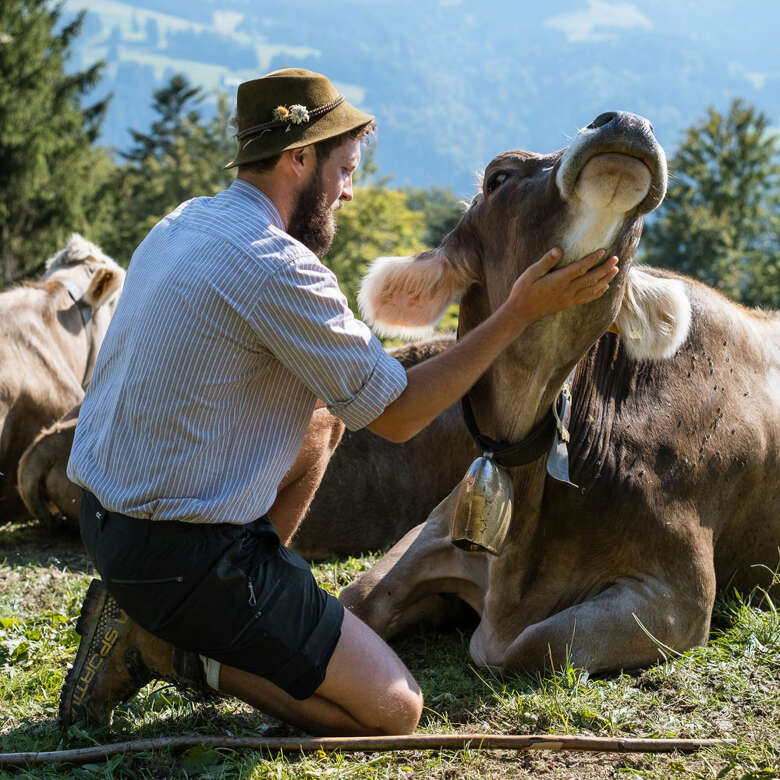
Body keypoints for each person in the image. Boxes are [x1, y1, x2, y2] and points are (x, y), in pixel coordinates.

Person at [60, 67, 619, 736]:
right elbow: (403, 414)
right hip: (180, 558)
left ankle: (229, 611)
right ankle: (169, 649)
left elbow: (352, 397)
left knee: (325, 417)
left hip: (105, 519)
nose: (349, 192)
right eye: (345, 170)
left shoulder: (185, 222)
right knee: (394, 711)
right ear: (300, 159)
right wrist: (519, 313)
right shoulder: (277, 266)